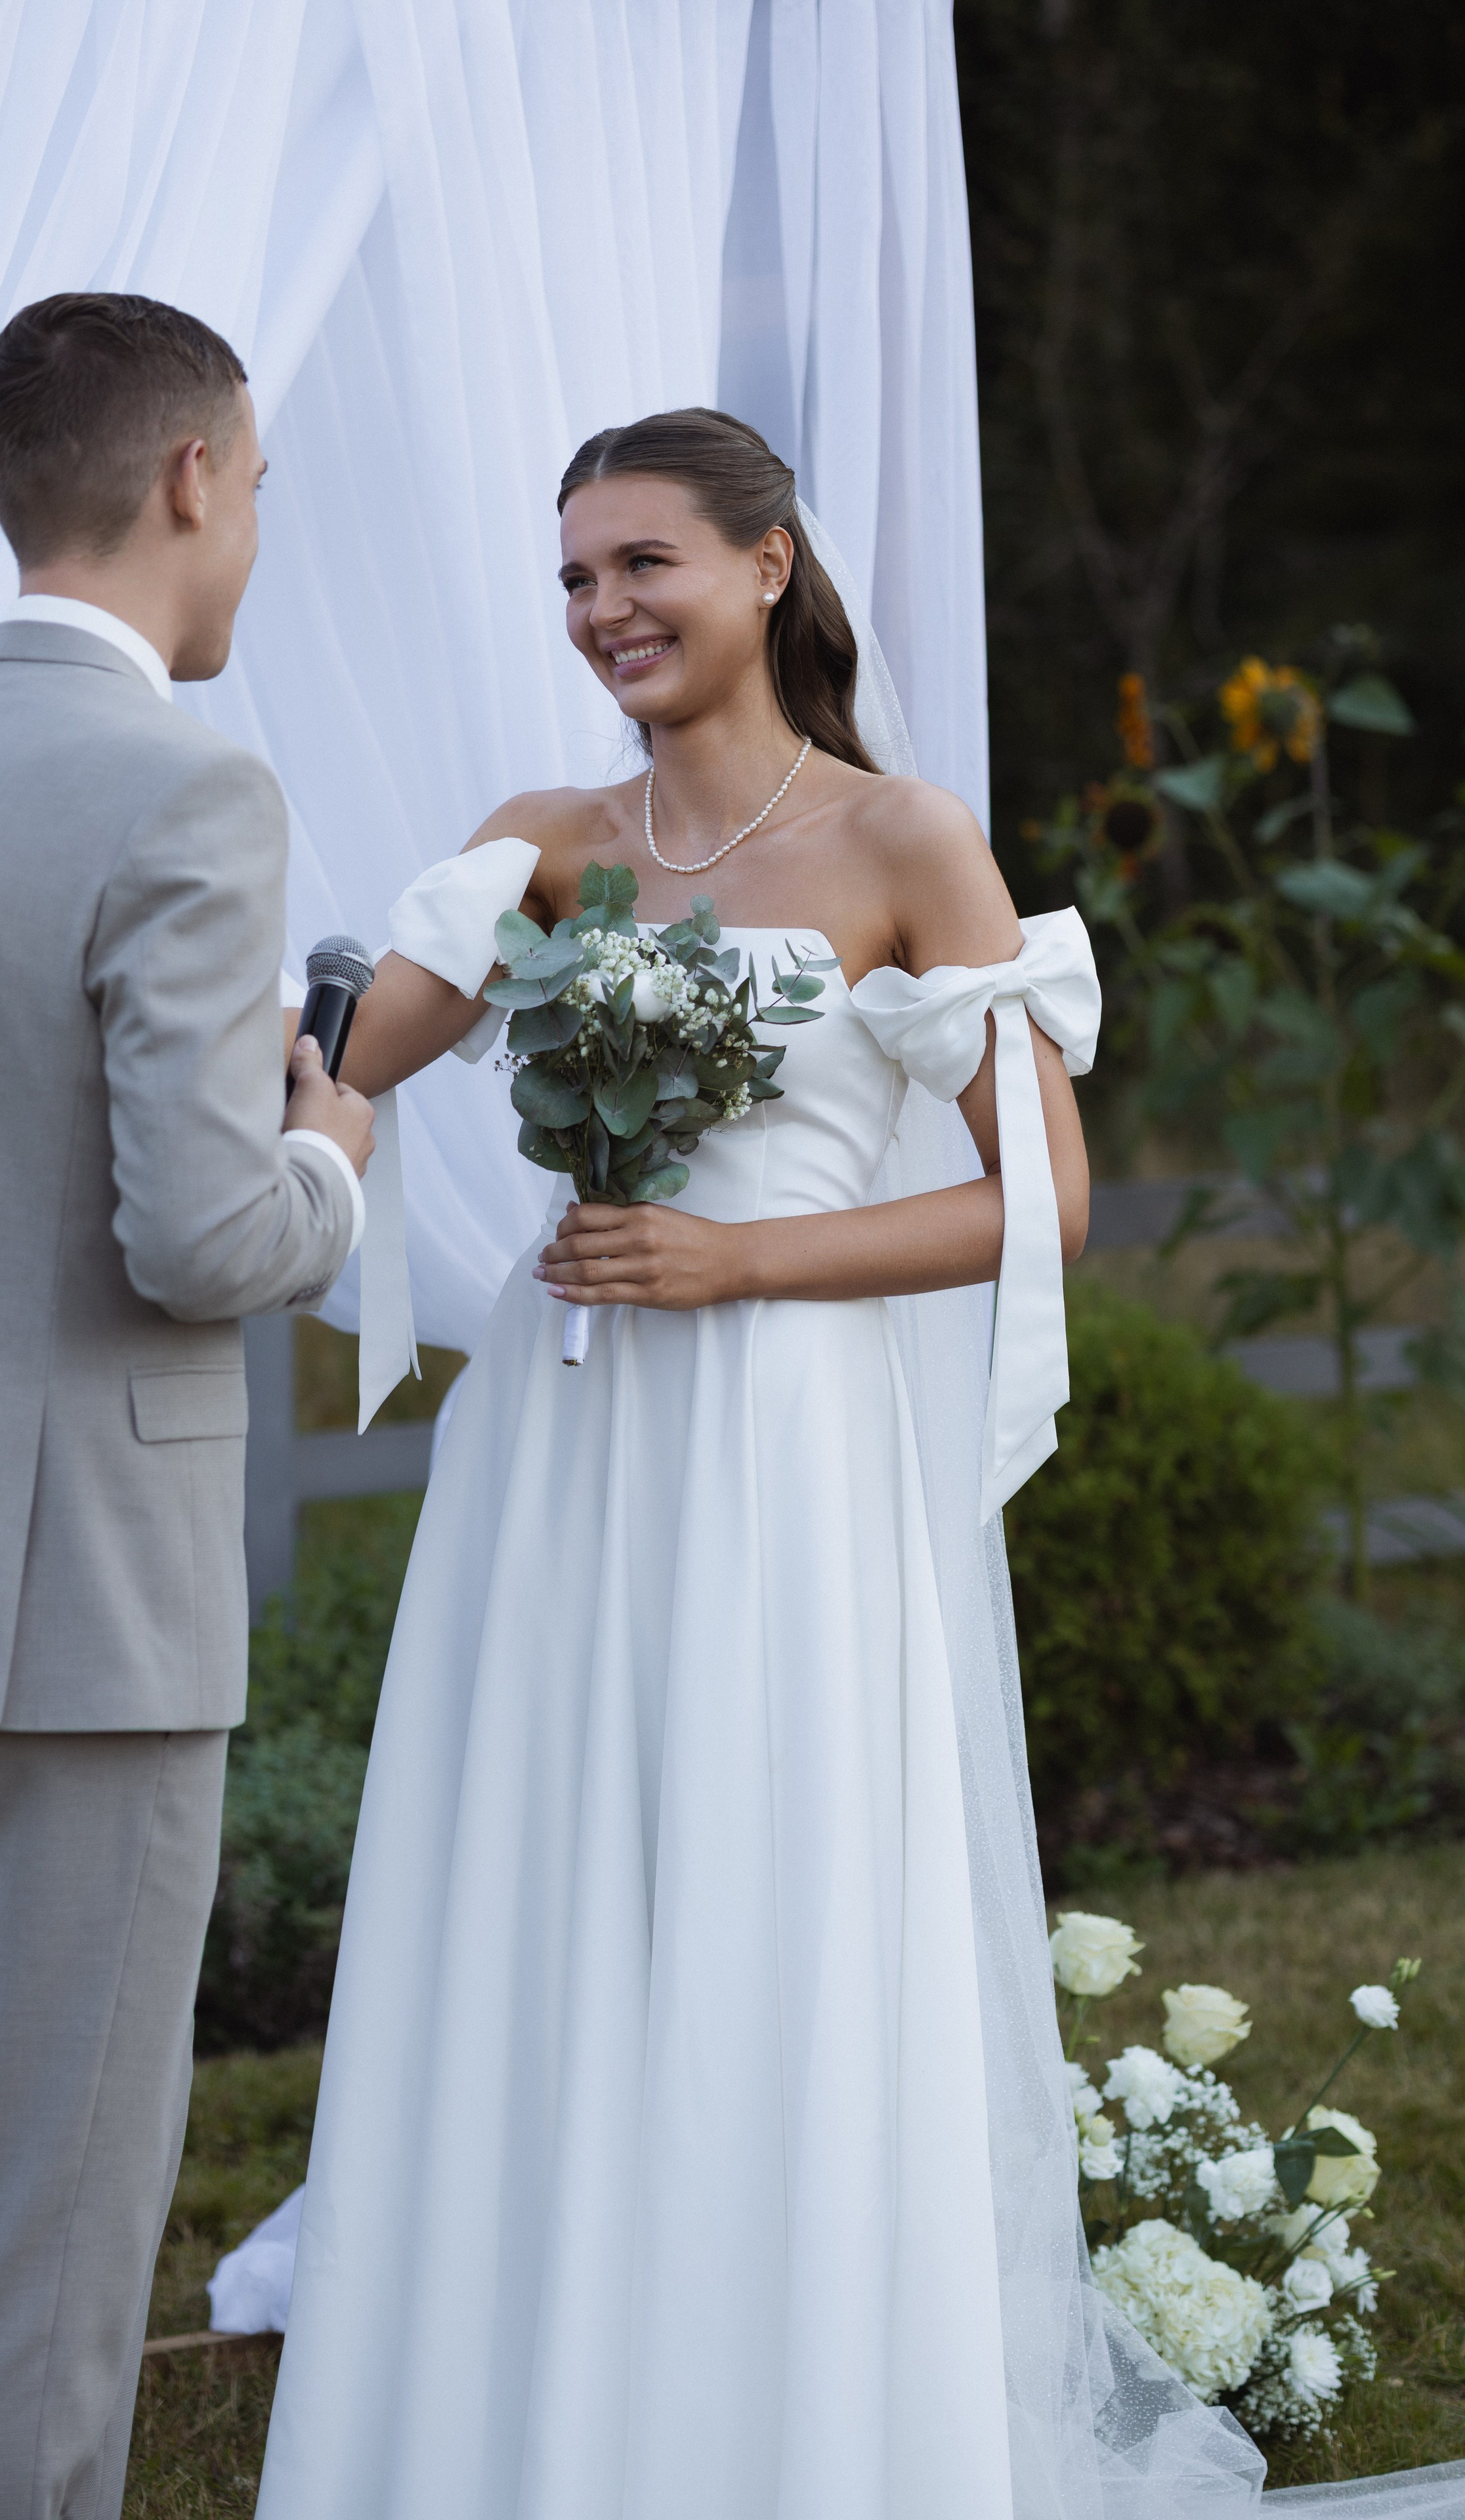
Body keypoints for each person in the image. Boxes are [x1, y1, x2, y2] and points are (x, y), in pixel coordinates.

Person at [252, 409, 1265, 2518]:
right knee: (543, 1856)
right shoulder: (543, 839)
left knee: (765, 1861)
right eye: (573, 579)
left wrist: (741, 1258)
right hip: (564, 1437)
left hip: (786, 1447)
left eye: (643, 565)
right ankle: (541, 2368)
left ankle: (785, 2387)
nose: (601, 610)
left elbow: (1044, 1204)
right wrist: (289, 1035)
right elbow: (346, 1045)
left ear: (770, 564)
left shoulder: (908, 842)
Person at [0, 293, 373, 2520]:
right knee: (54, 2214)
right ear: (195, 476)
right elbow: (204, 1241)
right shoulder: (187, 784)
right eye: (262, 491)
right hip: (84, 1600)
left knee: (6, 2154)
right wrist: (331, 1151)